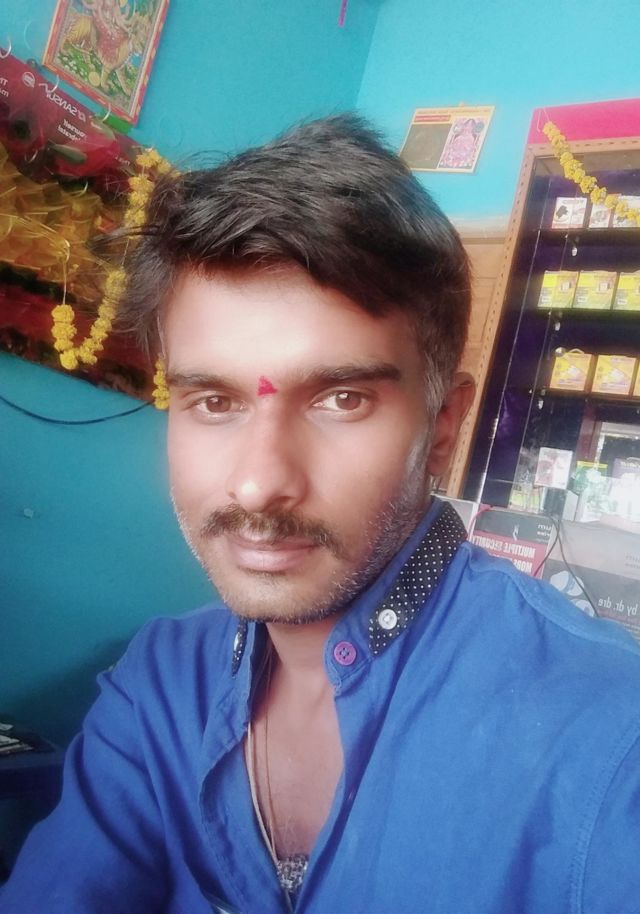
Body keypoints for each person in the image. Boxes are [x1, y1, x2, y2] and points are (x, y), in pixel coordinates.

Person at [3, 115, 640, 914]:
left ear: (443, 426)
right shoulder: (159, 685)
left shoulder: (606, 737)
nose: (258, 484)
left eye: (341, 399)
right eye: (214, 401)